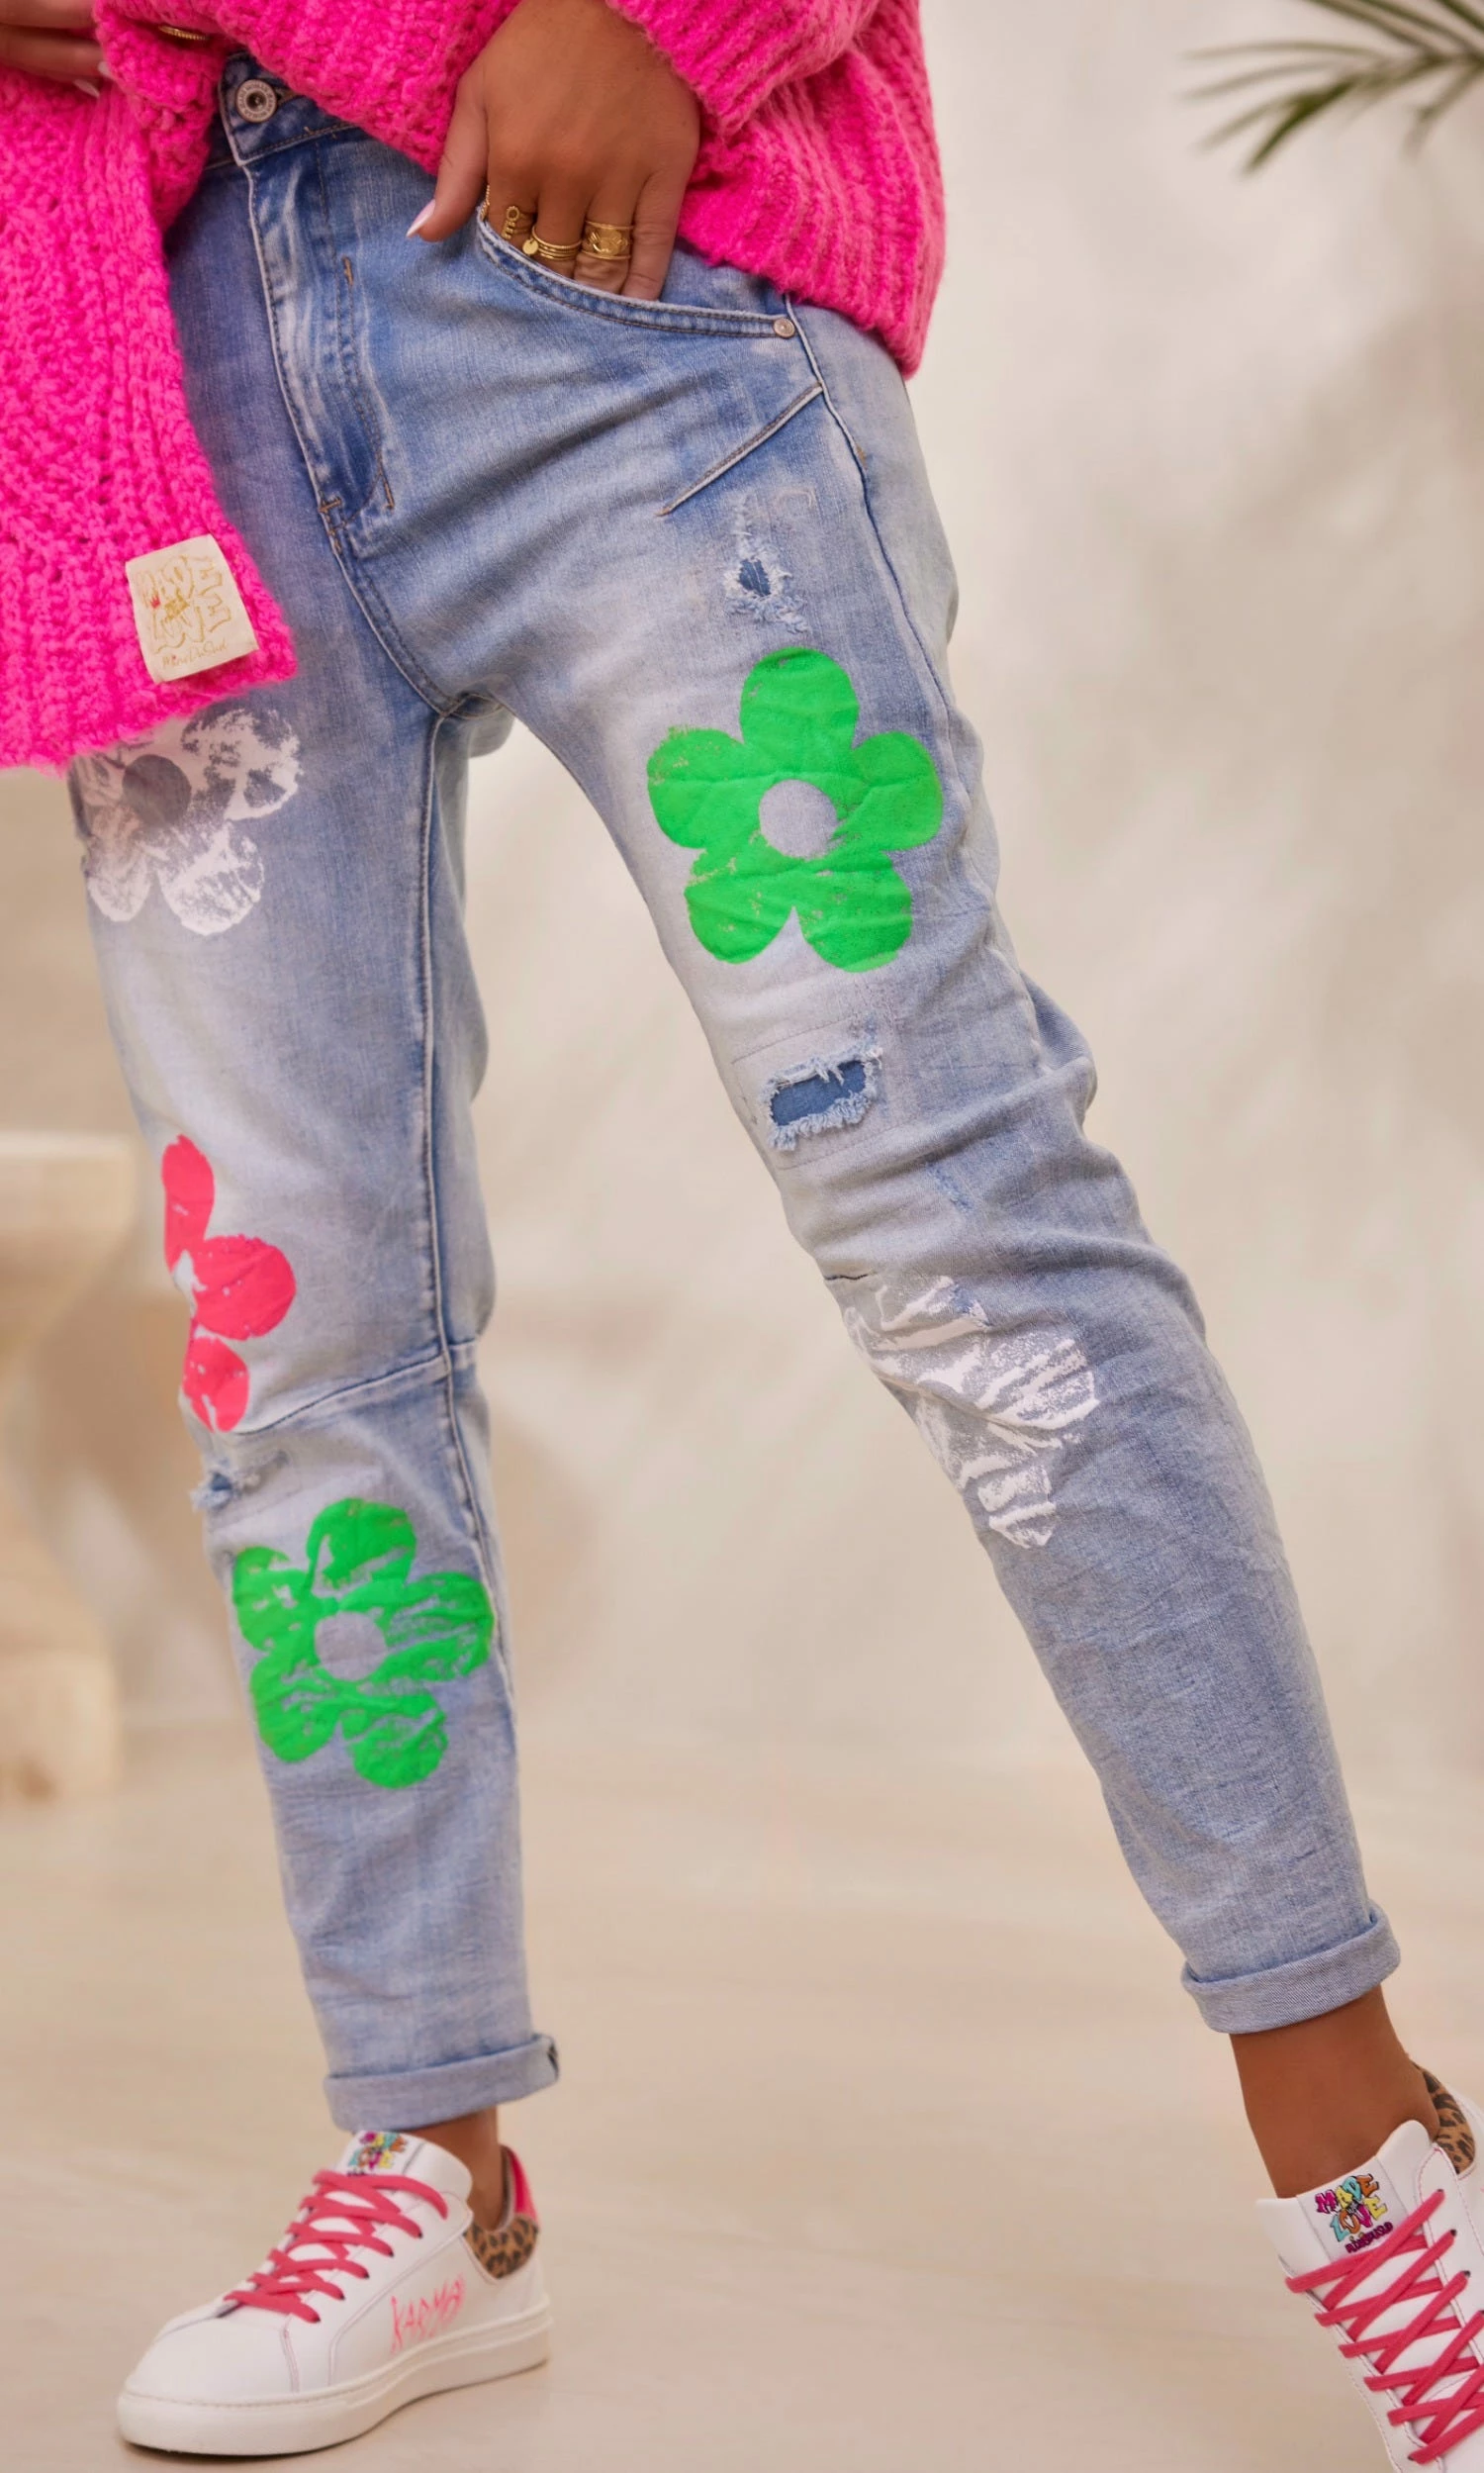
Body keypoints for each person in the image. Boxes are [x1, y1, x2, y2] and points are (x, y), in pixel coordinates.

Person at [2, 1, 1480, 2461]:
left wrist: (664, 23)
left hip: (609, 293)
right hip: (151, 378)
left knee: (961, 1223)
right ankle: (430, 2164)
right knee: (295, 1328)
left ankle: (1362, 2134)